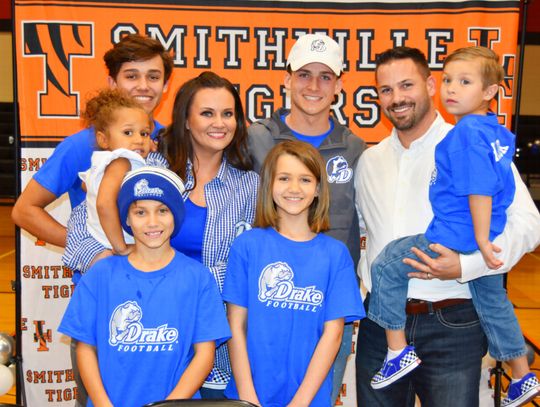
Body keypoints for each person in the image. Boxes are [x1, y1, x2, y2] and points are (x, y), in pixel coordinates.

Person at [354, 46, 540, 407]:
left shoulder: (470, 142)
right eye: (386, 90)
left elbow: (528, 224)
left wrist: (467, 265)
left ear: (430, 85)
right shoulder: (369, 160)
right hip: (380, 324)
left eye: (406, 85)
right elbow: (363, 234)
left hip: (452, 323)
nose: (396, 98)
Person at [247, 33, 365, 403]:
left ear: (339, 86)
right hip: (265, 302)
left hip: (326, 309)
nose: (314, 86)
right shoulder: (255, 138)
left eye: (325, 76)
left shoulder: (356, 148)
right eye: (304, 75)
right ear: (286, 79)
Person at [58, 166, 231, 407]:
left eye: (162, 210)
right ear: (127, 218)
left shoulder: (198, 278)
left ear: (176, 216)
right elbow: (85, 348)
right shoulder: (100, 275)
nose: (152, 222)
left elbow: (204, 354)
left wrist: (169, 405)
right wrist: (102, 403)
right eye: (140, 212)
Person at [223, 140, 365, 407]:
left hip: (308, 398)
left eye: (305, 179)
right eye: (284, 178)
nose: (294, 189)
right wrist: (247, 395)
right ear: (269, 185)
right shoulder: (248, 245)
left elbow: (333, 334)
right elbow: (236, 326)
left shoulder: (335, 255)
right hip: (249, 396)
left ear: (318, 189)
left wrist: (300, 403)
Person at [11, 33, 173, 248]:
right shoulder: (83, 144)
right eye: (131, 76)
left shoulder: (171, 140)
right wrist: (91, 250)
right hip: (107, 275)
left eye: (153, 77)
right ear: (112, 83)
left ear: (165, 85)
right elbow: (24, 211)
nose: (143, 86)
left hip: (159, 271)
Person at [159, 71, 259, 397]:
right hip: (157, 330)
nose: (220, 123)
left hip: (220, 343)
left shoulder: (250, 186)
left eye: (228, 114)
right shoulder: (153, 171)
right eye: (207, 113)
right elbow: (91, 230)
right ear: (185, 120)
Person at [62, 88, 167, 275]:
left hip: (98, 243)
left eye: (144, 133)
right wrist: (120, 247)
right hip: (113, 246)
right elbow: (103, 203)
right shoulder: (122, 160)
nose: (138, 140)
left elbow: (89, 187)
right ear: (103, 139)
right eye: (128, 133)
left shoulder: (102, 162)